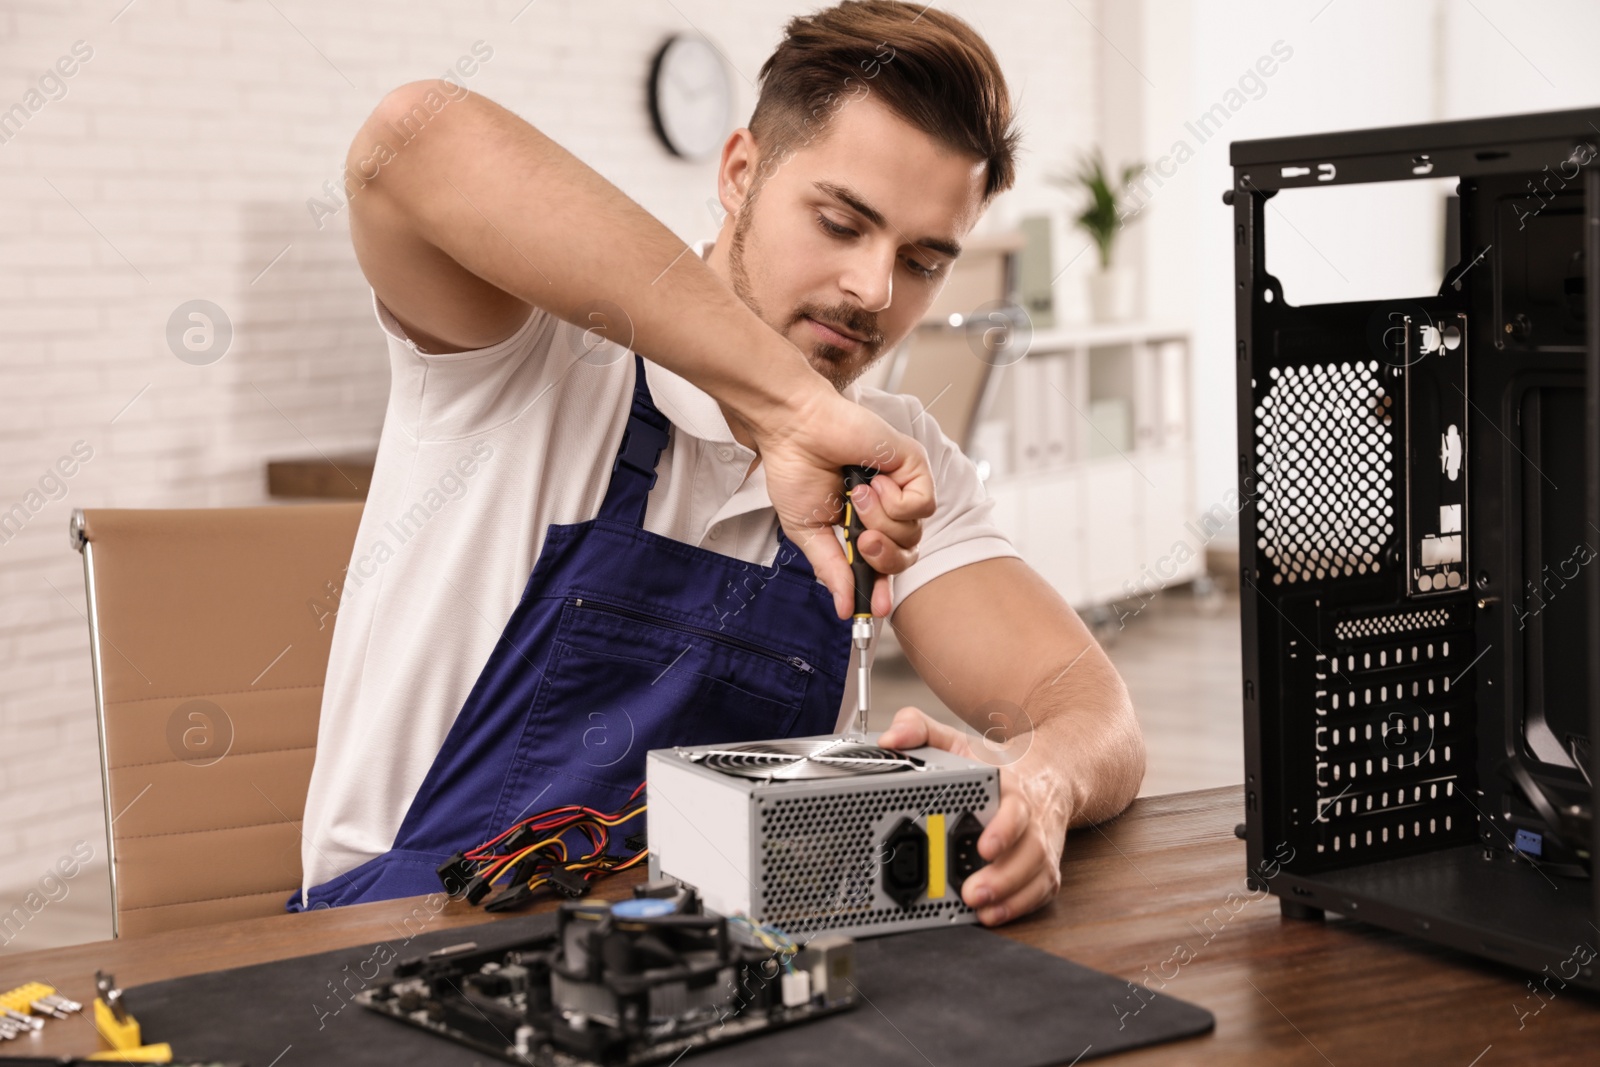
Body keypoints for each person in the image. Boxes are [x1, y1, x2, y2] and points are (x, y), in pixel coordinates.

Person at [293, 0, 1144, 927]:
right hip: (390, 949)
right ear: (740, 172)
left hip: (695, 967)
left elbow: (1089, 707)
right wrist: (791, 408)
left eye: (924, 260)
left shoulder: (891, 462)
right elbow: (407, 137)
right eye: (839, 221)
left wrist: (1043, 784)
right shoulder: (530, 364)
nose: (874, 289)